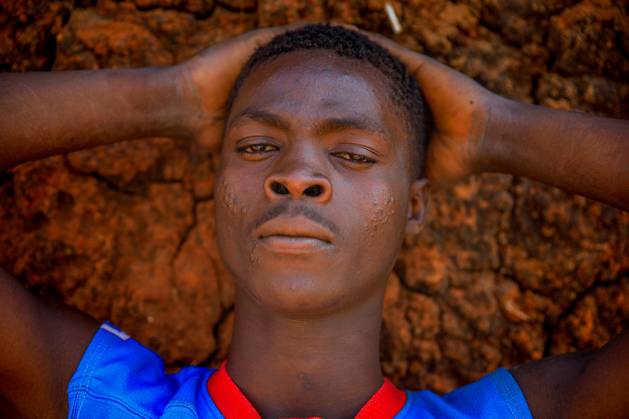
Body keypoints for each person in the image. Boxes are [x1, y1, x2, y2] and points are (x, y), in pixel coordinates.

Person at [0, 23, 627, 419]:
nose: (298, 171)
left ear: (415, 204)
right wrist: (172, 97)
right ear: (217, 188)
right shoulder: (100, 402)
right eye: (255, 147)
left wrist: (501, 131)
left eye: (353, 154)